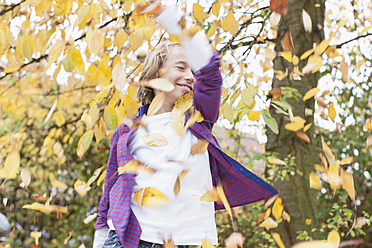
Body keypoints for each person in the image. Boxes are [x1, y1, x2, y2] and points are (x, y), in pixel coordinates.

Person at [93, 3, 278, 248]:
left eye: (193, 70)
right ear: (154, 76)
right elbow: (110, 191)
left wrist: (168, 15)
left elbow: (210, 70)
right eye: (181, 67)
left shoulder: (197, 122)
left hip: (182, 242)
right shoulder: (127, 133)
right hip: (128, 239)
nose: (191, 76)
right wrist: (100, 240)